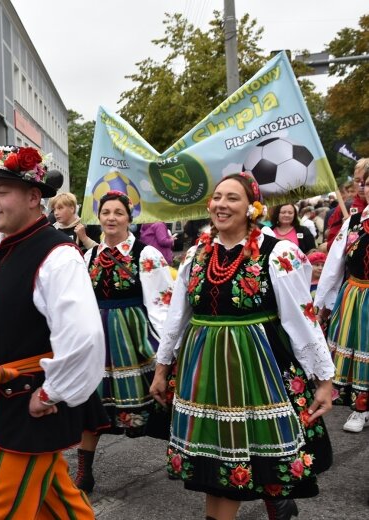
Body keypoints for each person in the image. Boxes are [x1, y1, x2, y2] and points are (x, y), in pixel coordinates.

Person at [150, 172, 335, 520]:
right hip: (202, 370)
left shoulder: (278, 253)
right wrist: (162, 368)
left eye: (232, 198)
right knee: (215, 466)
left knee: (250, 455)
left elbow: (301, 319)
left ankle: (276, 499)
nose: (221, 204)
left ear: (253, 206)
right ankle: (274, 503)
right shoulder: (196, 254)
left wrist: (324, 379)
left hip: (256, 368)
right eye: (217, 197)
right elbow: (177, 316)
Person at [0, 145, 103, 518]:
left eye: (2, 191)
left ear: (35, 197)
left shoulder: (58, 255)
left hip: (31, 404)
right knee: (60, 503)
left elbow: (83, 338)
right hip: (1, 401)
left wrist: (52, 393)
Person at [75, 191, 174, 493]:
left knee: (161, 398)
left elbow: (161, 303)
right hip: (98, 339)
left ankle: (176, 456)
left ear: (129, 218)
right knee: (90, 403)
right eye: (106, 212)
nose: (111, 218)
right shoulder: (89, 255)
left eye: (118, 212)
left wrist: (166, 350)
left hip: (135, 337)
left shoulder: (146, 254)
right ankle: (84, 471)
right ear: (99, 217)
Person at [314, 192, 369, 433]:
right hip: (357, 295)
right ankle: (360, 407)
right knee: (361, 349)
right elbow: (333, 265)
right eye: (368, 183)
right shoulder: (353, 222)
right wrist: (321, 303)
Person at [326, 159, 367, 247]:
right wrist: (344, 230)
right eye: (357, 180)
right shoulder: (345, 208)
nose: (361, 185)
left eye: (366, 181)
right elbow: (330, 246)